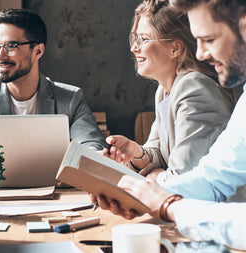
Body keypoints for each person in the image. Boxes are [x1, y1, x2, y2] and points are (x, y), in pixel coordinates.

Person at [95, 0, 246, 250]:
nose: (200, 53)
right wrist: (133, 194)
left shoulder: (194, 86)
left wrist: (168, 203)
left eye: (209, 39)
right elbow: (212, 178)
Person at [0, 8, 106, 156]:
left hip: (53, 188)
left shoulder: (70, 99)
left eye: (11, 46)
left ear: (38, 50)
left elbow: (93, 147)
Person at [103, 0, 234, 183]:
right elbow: (159, 153)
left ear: (175, 48)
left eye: (144, 39)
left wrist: (155, 176)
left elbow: (183, 178)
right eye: (135, 38)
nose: (134, 47)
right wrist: (136, 152)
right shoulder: (165, 90)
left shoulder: (195, 89)